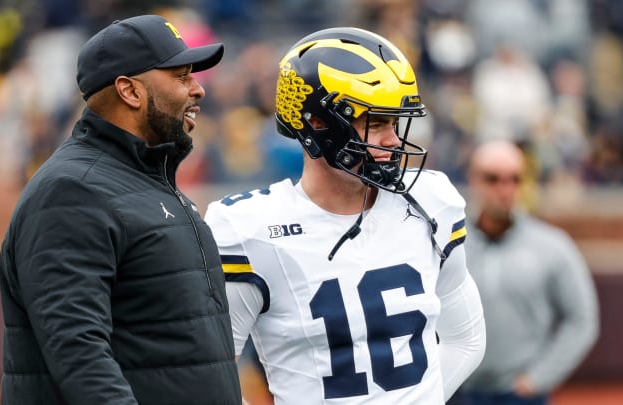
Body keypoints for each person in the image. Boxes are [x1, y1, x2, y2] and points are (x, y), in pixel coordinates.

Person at [204, 27, 486, 404]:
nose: (393, 141)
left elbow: (465, 339)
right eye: (377, 122)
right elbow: (211, 371)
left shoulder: (431, 201)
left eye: (395, 123)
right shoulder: (248, 229)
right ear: (318, 122)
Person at [0, 15, 241, 405]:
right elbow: (79, 353)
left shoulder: (146, 182)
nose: (198, 90)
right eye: (181, 76)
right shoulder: (73, 191)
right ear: (129, 91)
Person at [448, 140, 599, 405]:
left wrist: (537, 379)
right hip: (456, 390)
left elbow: (581, 320)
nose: (505, 190)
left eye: (515, 179)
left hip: (520, 394)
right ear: (473, 179)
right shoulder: (447, 243)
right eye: (492, 179)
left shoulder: (552, 246)